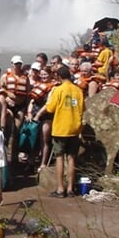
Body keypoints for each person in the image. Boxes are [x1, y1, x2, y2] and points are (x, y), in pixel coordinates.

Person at [34, 66, 84, 198]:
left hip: (61, 128)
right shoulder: (78, 90)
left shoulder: (58, 90)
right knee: (72, 158)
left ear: (59, 77)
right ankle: (71, 189)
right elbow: (82, 108)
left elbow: (50, 108)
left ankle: (60, 188)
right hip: (75, 128)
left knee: (60, 157)